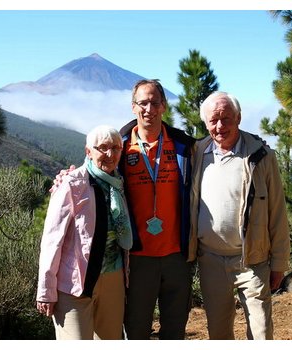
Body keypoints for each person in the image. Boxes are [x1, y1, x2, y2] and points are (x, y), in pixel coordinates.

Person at [50, 79, 196, 340]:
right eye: (142, 103)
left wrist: (255, 143)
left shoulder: (185, 147)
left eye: (154, 102)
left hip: (177, 255)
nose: (148, 108)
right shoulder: (120, 146)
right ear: (133, 107)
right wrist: (66, 177)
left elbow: (218, 150)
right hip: (136, 259)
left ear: (163, 105)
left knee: (174, 332)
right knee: (136, 332)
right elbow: (94, 168)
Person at [187, 91, 290, 340]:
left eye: (227, 118)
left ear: (239, 118)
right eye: (214, 120)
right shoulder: (197, 153)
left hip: (252, 261)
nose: (220, 126)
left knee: (261, 333)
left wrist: (278, 264)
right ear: (206, 123)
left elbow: (277, 211)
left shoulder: (261, 156)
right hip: (210, 259)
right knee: (219, 333)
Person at [36, 125, 133, 340]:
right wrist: (46, 290)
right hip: (74, 284)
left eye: (116, 148)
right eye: (103, 148)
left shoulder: (119, 183)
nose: (110, 154)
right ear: (88, 151)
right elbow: (53, 240)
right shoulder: (71, 184)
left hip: (113, 278)